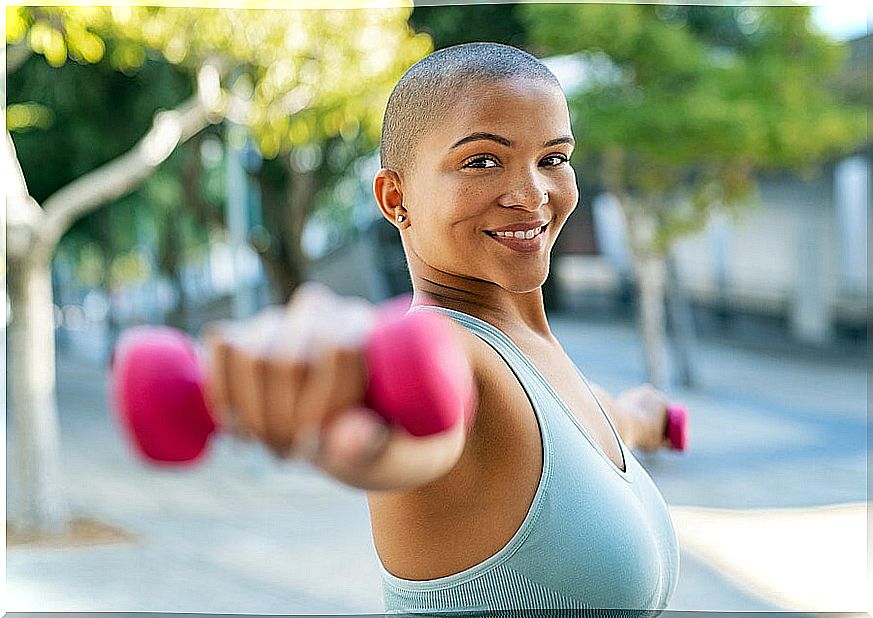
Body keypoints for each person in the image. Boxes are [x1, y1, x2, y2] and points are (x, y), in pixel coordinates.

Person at [205, 42, 679, 614]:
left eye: (553, 158)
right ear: (395, 197)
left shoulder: (536, 356)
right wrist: (346, 386)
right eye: (482, 160)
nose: (532, 194)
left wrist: (650, 419)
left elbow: (601, 418)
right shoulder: (453, 357)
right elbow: (418, 426)